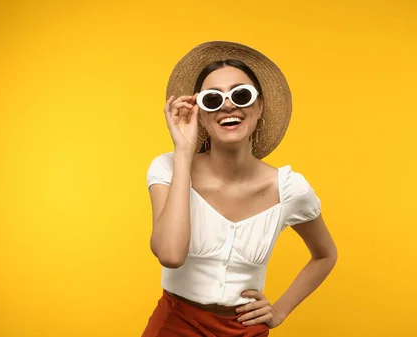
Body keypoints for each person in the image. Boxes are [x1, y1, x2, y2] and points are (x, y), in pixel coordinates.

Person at [142, 41, 337, 337]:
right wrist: (183, 152)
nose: (228, 105)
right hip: (174, 325)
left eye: (241, 95)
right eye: (212, 99)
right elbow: (170, 254)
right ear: (201, 114)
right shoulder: (168, 168)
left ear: (260, 106)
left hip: (245, 332)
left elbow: (325, 255)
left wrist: (280, 310)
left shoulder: (289, 188)